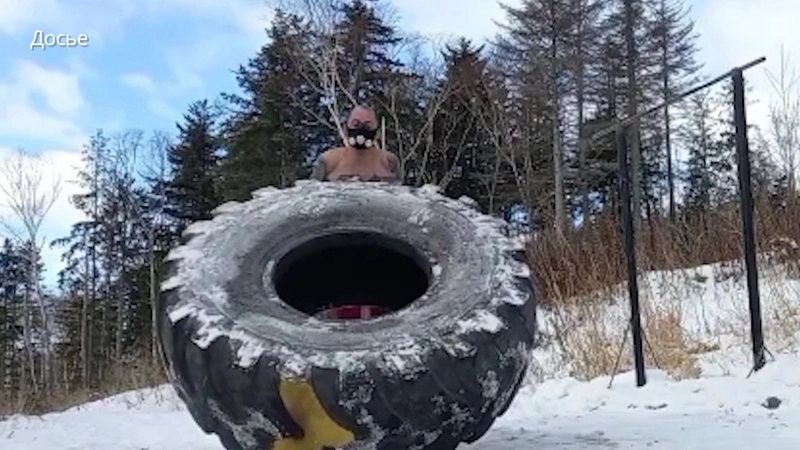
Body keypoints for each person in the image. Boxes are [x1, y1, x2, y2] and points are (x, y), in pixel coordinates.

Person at [311, 104, 403, 183]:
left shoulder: (389, 162)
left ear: (377, 132)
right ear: (345, 129)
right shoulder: (328, 161)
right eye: (356, 124)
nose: (361, 130)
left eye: (368, 126)